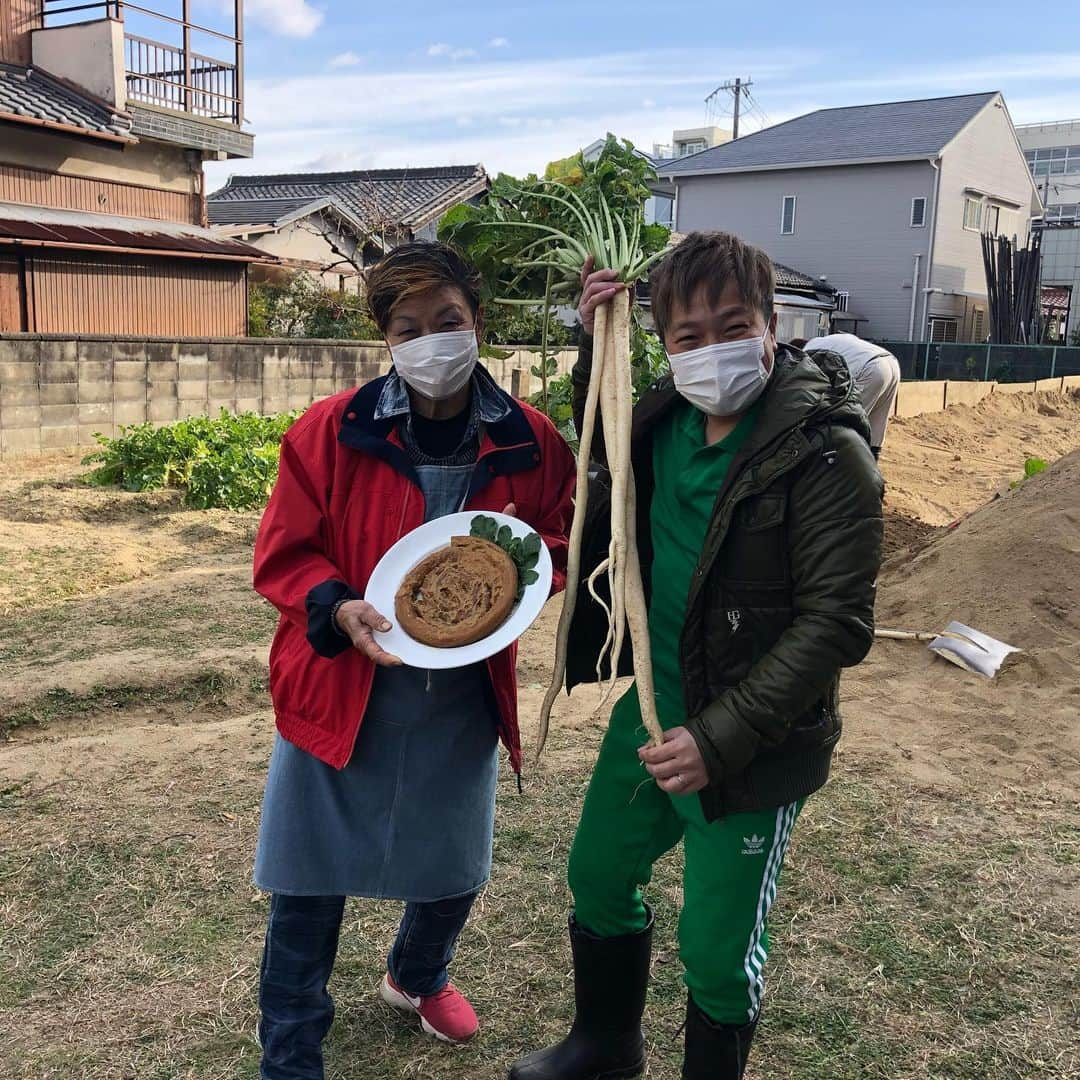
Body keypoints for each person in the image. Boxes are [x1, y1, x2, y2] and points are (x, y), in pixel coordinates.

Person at [510, 232, 883, 1080]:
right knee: (598, 876)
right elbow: (597, 435)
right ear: (663, 342)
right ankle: (605, 1045)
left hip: (750, 745)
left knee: (716, 956)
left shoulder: (827, 454)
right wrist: (592, 335)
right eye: (688, 336)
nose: (711, 351)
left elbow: (837, 624)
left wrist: (719, 740)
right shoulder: (662, 417)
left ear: (772, 323)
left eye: (731, 326)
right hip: (652, 708)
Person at [251, 242, 576, 1079]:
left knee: (451, 863)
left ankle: (416, 976)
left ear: (478, 323)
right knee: (308, 879)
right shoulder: (332, 431)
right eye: (409, 327)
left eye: (448, 321)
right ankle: (291, 1054)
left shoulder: (530, 439)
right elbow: (286, 552)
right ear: (385, 340)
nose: (432, 339)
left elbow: (559, 538)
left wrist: (524, 571)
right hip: (340, 683)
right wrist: (333, 603)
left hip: (461, 690)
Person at [792, 332, 902, 459]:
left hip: (869, 369)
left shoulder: (807, 352)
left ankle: (845, 470)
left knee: (847, 424)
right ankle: (872, 469)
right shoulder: (828, 340)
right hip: (891, 364)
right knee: (876, 424)